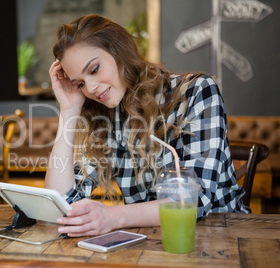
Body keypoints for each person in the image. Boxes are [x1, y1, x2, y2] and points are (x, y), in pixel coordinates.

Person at [45, 14, 250, 238]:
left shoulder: (197, 92)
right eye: (80, 83)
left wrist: (112, 217)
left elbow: (194, 202)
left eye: (94, 69)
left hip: (222, 236)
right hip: (148, 242)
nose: (91, 88)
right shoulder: (106, 117)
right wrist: (69, 110)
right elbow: (61, 201)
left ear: (118, 51)